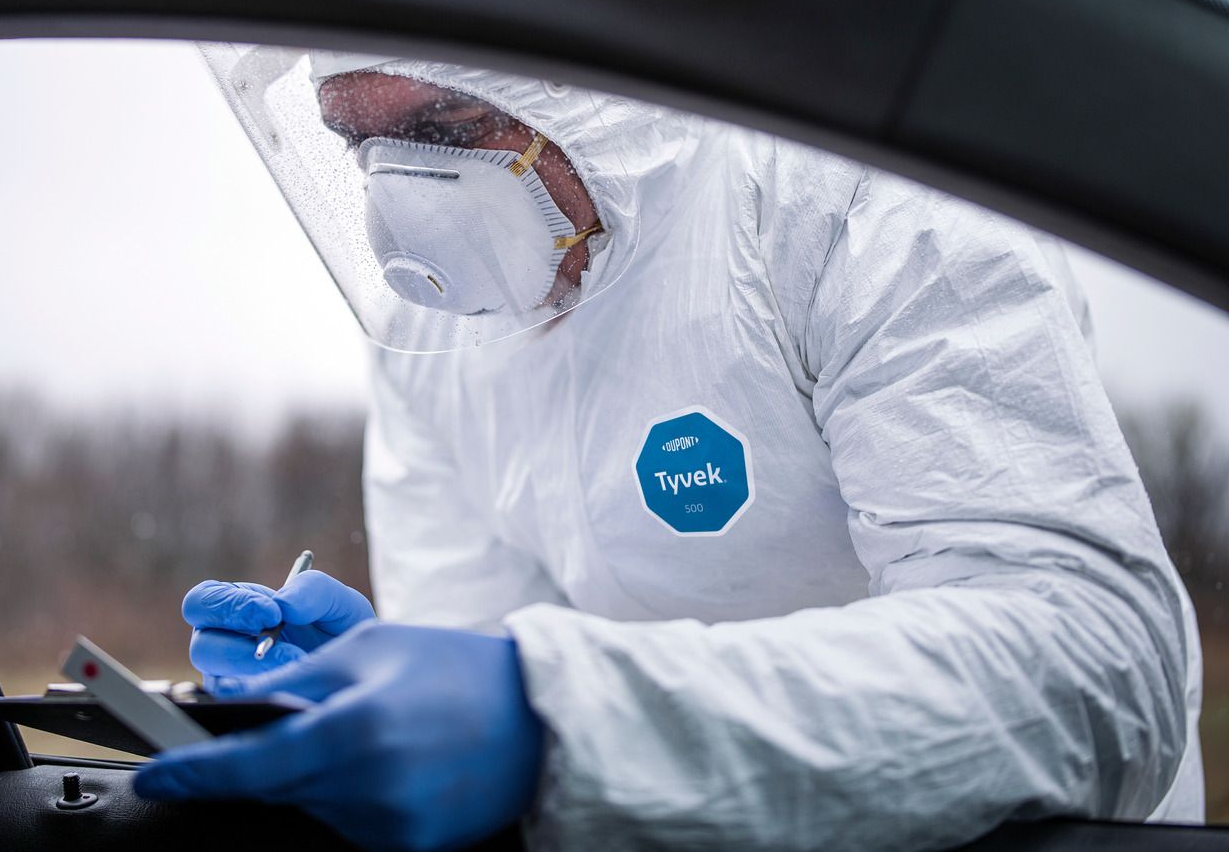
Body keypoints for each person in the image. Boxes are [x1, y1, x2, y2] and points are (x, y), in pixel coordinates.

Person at [133, 48, 1204, 851]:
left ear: (574, 80)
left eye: (450, 124)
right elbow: (468, 685)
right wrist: (369, 697)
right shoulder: (434, 339)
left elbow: (1093, 666)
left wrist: (557, 721)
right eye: (357, 145)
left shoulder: (849, 199)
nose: (401, 213)